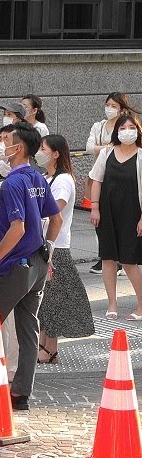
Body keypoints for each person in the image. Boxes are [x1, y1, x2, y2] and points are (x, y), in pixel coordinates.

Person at [0, 122, 60, 411]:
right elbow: (55, 219)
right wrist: (49, 252)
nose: (3, 146)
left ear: (18, 148)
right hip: (38, 262)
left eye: (7, 141)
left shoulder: (13, 182)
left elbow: (16, 228)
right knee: (28, 327)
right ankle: (21, 392)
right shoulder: (37, 177)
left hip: (15, 265)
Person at [34, 134, 94, 362]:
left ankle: (51, 348)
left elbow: (53, 210)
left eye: (43, 148)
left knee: (55, 298)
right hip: (43, 242)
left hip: (56, 245)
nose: (40, 152)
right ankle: (42, 344)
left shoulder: (63, 180)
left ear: (56, 153)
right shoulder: (45, 177)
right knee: (46, 298)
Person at [89, 115, 142, 320]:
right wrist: (95, 207)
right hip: (107, 212)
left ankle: (140, 305)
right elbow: (97, 180)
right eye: (123, 127)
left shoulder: (140, 155)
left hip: (132, 212)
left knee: (129, 261)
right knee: (108, 258)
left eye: (131, 127)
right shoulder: (107, 153)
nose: (127, 131)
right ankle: (112, 304)